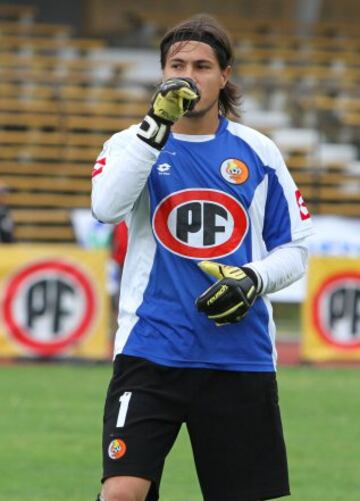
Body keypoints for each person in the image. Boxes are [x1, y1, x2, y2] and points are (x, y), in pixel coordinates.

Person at [92, 14, 313, 501]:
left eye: (202, 65)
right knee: (122, 493)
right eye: (177, 64)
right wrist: (155, 126)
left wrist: (252, 278)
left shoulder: (259, 151)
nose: (189, 75)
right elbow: (106, 208)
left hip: (239, 356)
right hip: (151, 349)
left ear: (225, 76)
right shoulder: (132, 144)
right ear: (162, 72)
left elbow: (295, 250)